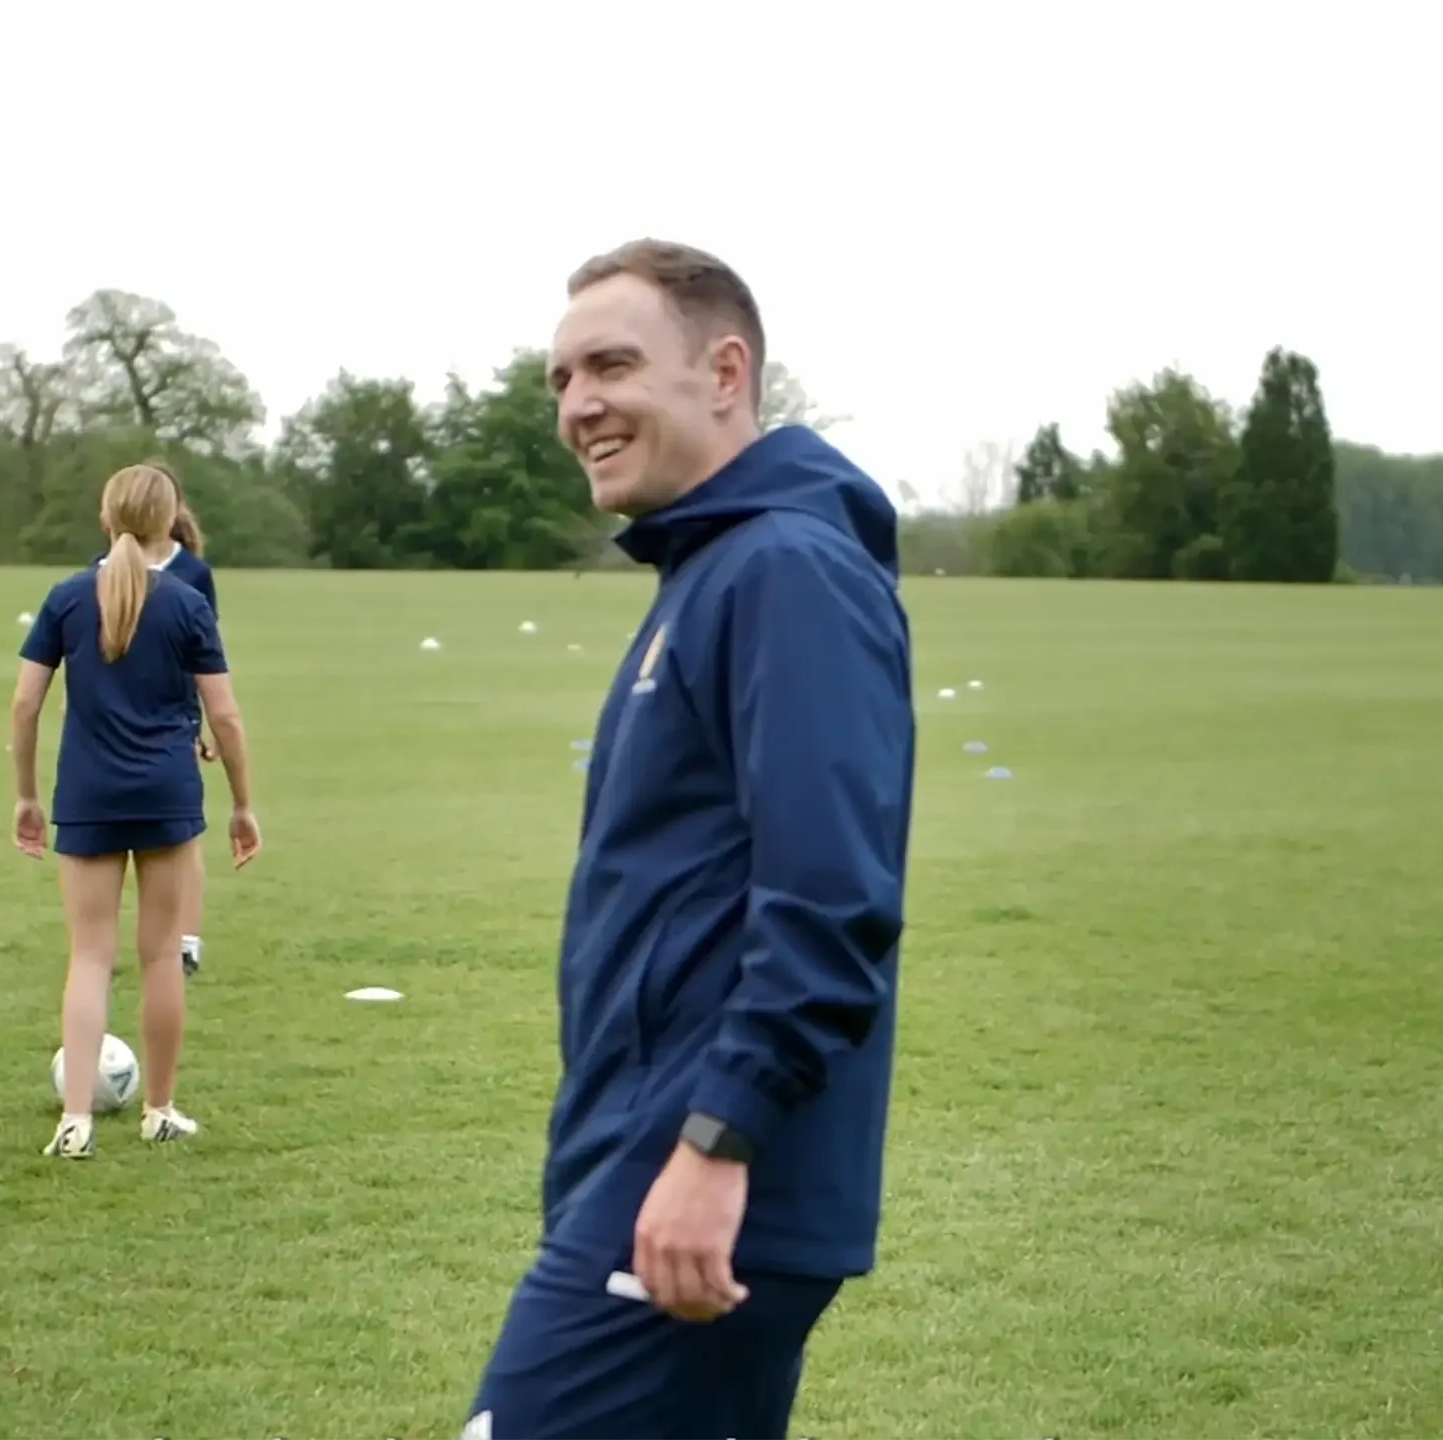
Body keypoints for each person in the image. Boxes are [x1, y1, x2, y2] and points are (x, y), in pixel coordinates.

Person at [461, 240, 914, 1440]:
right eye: (559, 378)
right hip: (648, 1156)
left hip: (704, 1169)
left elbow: (827, 897)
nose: (577, 406)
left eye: (610, 364)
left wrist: (717, 1141)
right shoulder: (713, 568)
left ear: (724, 372)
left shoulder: (784, 569)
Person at [12, 461, 260, 1160]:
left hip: (87, 795)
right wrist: (243, 804)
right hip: (167, 795)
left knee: (89, 958)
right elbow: (227, 717)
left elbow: (26, 702)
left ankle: (76, 1121)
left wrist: (27, 795)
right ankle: (159, 1110)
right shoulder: (187, 602)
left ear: (105, 517)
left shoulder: (66, 597)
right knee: (159, 958)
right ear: (170, 522)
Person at [89, 461, 220, 979]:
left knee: (181, 836)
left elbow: (208, 659)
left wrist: (200, 722)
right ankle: (110, 942)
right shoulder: (101, 569)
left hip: (172, 717)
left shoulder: (193, 574)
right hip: (113, 716)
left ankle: (184, 939)